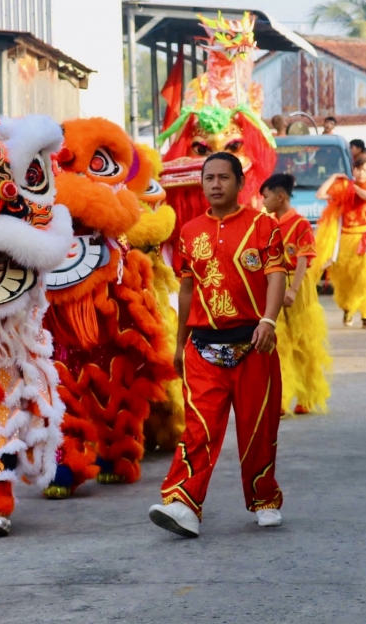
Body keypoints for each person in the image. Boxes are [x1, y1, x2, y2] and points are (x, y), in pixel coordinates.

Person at [147, 152, 287, 538]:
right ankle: (183, 504)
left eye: (224, 177)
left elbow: (277, 276)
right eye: (209, 177)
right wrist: (180, 343)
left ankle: (264, 498)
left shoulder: (264, 226)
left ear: (241, 184)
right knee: (198, 429)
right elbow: (187, 291)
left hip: (253, 345)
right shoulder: (190, 231)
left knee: (257, 429)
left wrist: (268, 321)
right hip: (204, 348)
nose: (215, 184)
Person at [261, 173, 331, 416]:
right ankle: (281, 398)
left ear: (280, 197)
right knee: (278, 343)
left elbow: (302, 260)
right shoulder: (267, 223)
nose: (263, 202)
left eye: (266, 196)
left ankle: (307, 396)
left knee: (303, 341)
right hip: (273, 285)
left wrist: (292, 290)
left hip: (296, 285)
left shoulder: (300, 223)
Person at [313, 157, 366, 329]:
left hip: (365, 241)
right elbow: (321, 195)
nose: (361, 173)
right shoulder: (344, 187)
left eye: (365, 170)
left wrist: (353, 187)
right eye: (358, 169)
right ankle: (348, 310)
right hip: (345, 241)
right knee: (346, 279)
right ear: (354, 171)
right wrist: (334, 178)